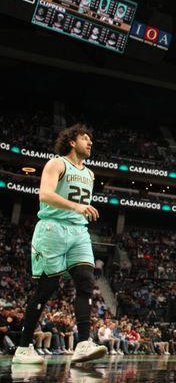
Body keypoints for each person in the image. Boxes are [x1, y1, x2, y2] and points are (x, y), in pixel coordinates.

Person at [12, 125, 107, 365]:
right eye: (85, 138)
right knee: (46, 288)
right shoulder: (57, 164)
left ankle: (83, 344)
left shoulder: (90, 174)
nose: (90, 142)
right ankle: (23, 348)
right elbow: (45, 194)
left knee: (86, 281)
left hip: (79, 231)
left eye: (91, 139)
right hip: (53, 228)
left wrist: (79, 212)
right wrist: (76, 207)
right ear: (72, 142)